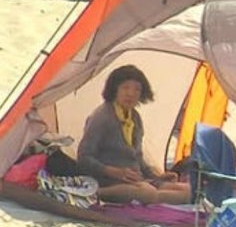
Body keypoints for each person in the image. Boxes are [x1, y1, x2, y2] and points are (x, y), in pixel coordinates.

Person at [78, 65, 191, 204]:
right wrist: (114, 171)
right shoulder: (101, 117)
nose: (130, 94)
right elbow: (84, 158)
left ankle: (154, 195)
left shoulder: (135, 118)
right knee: (147, 193)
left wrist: (157, 177)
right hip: (109, 181)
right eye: (125, 88)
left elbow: (138, 158)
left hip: (136, 180)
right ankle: (96, 193)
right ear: (115, 89)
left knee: (188, 191)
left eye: (136, 89)